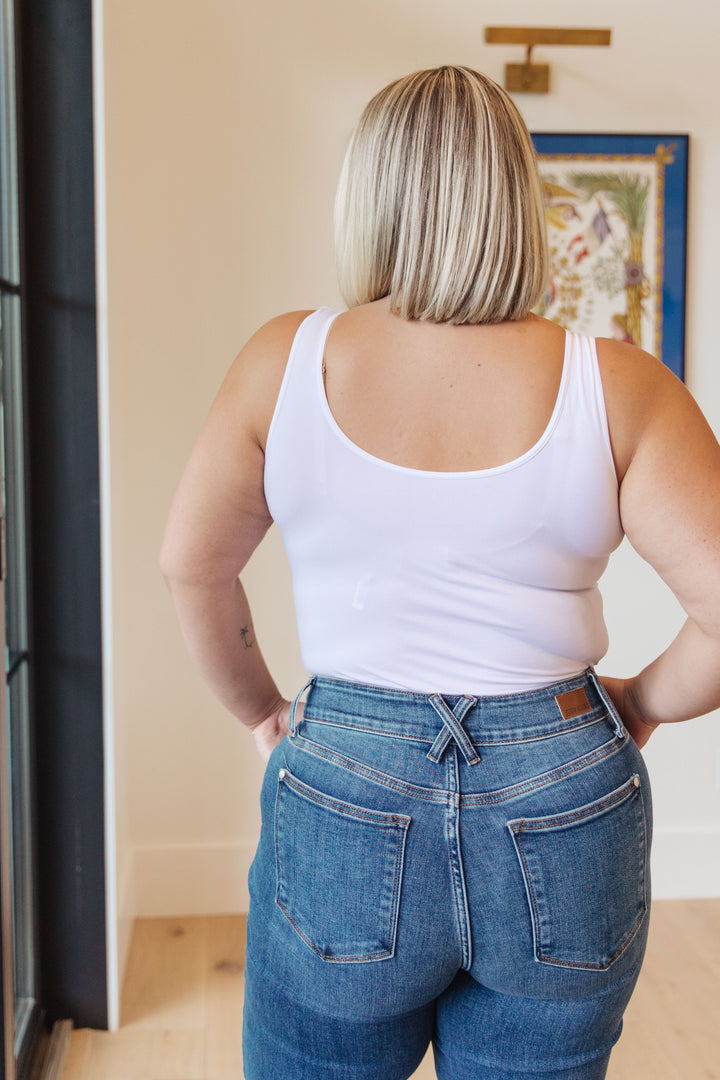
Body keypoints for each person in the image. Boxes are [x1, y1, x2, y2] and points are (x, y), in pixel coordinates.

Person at [160, 66, 720, 1080]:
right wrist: (638, 703)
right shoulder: (621, 384)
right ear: (518, 201)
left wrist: (261, 713)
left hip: (345, 780)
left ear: (369, 199)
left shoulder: (284, 362)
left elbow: (191, 567)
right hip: (563, 783)